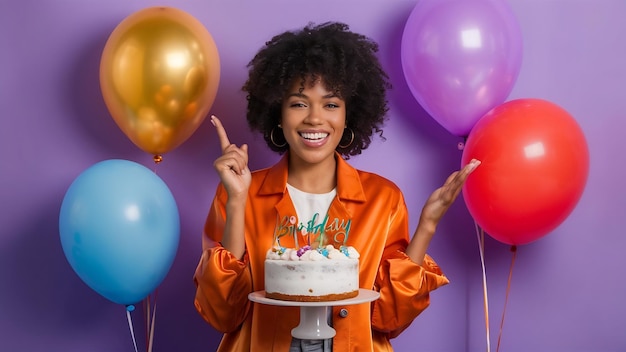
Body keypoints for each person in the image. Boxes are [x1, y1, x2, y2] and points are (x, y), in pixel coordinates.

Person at [193, 22, 480, 351]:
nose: (315, 119)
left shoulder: (382, 199)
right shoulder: (239, 192)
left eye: (331, 104)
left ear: (349, 116)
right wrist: (236, 202)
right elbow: (223, 315)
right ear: (277, 113)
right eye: (299, 103)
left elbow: (389, 319)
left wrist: (427, 225)